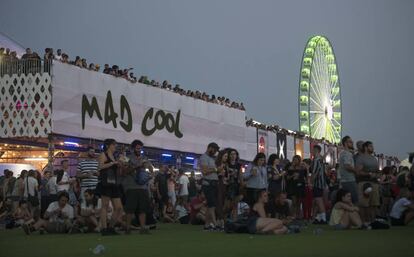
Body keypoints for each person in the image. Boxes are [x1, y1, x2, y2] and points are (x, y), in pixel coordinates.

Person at [96, 139, 123, 236]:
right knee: (105, 206)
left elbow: (118, 172)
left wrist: (119, 165)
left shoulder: (114, 156)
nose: (115, 146)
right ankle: (104, 228)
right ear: (108, 145)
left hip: (114, 183)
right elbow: (100, 167)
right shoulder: (103, 154)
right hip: (106, 183)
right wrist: (112, 163)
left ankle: (111, 227)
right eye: (114, 144)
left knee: (119, 207)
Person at [127, 139, 153, 234]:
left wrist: (149, 168)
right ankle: (127, 228)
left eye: (140, 148)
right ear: (133, 148)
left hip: (142, 186)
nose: (139, 150)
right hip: (131, 186)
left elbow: (151, 169)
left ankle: (142, 228)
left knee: (143, 209)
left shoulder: (144, 157)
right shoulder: (128, 158)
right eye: (137, 148)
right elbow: (125, 172)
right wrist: (137, 166)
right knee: (130, 209)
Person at [355, 141, 380, 225]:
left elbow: (378, 171)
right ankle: (364, 222)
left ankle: (372, 222)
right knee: (363, 204)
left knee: (373, 204)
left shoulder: (374, 159)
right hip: (363, 182)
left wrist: (377, 175)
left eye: (372, 146)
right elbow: (358, 172)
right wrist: (369, 174)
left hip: (374, 183)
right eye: (370, 146)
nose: (372, 148)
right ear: (366, 147)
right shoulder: (361, 158)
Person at [200, 142, 220, 231]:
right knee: (212, 205)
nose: (215, 152)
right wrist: (216, 169)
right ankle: (215, 224)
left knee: (210, 205)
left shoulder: (213, 158)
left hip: (214, 183)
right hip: (208, 184)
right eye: (214, 150)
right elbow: (204, 171)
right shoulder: (203, 157)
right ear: (210, 148)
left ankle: (207, 225)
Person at [310, 145, 328, 224]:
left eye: (312, 150)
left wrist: (311, 182)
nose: (311, 152)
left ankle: (323, 219)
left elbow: (315, 173)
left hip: (317, 183)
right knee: (317, 201)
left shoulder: (316, 160)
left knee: (318, 200)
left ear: (316, 150)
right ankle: (318, 218)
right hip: (322, 182)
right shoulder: (320, 159)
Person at [338, 136, 359, 203]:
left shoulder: (343, 153)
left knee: (347, 201)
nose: (352, 143)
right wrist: (356, 170)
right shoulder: (347, 153)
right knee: (354, 201)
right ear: (345, 143)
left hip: (345, 180)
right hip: (349, 180)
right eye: (350, 142)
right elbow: (347, 166)